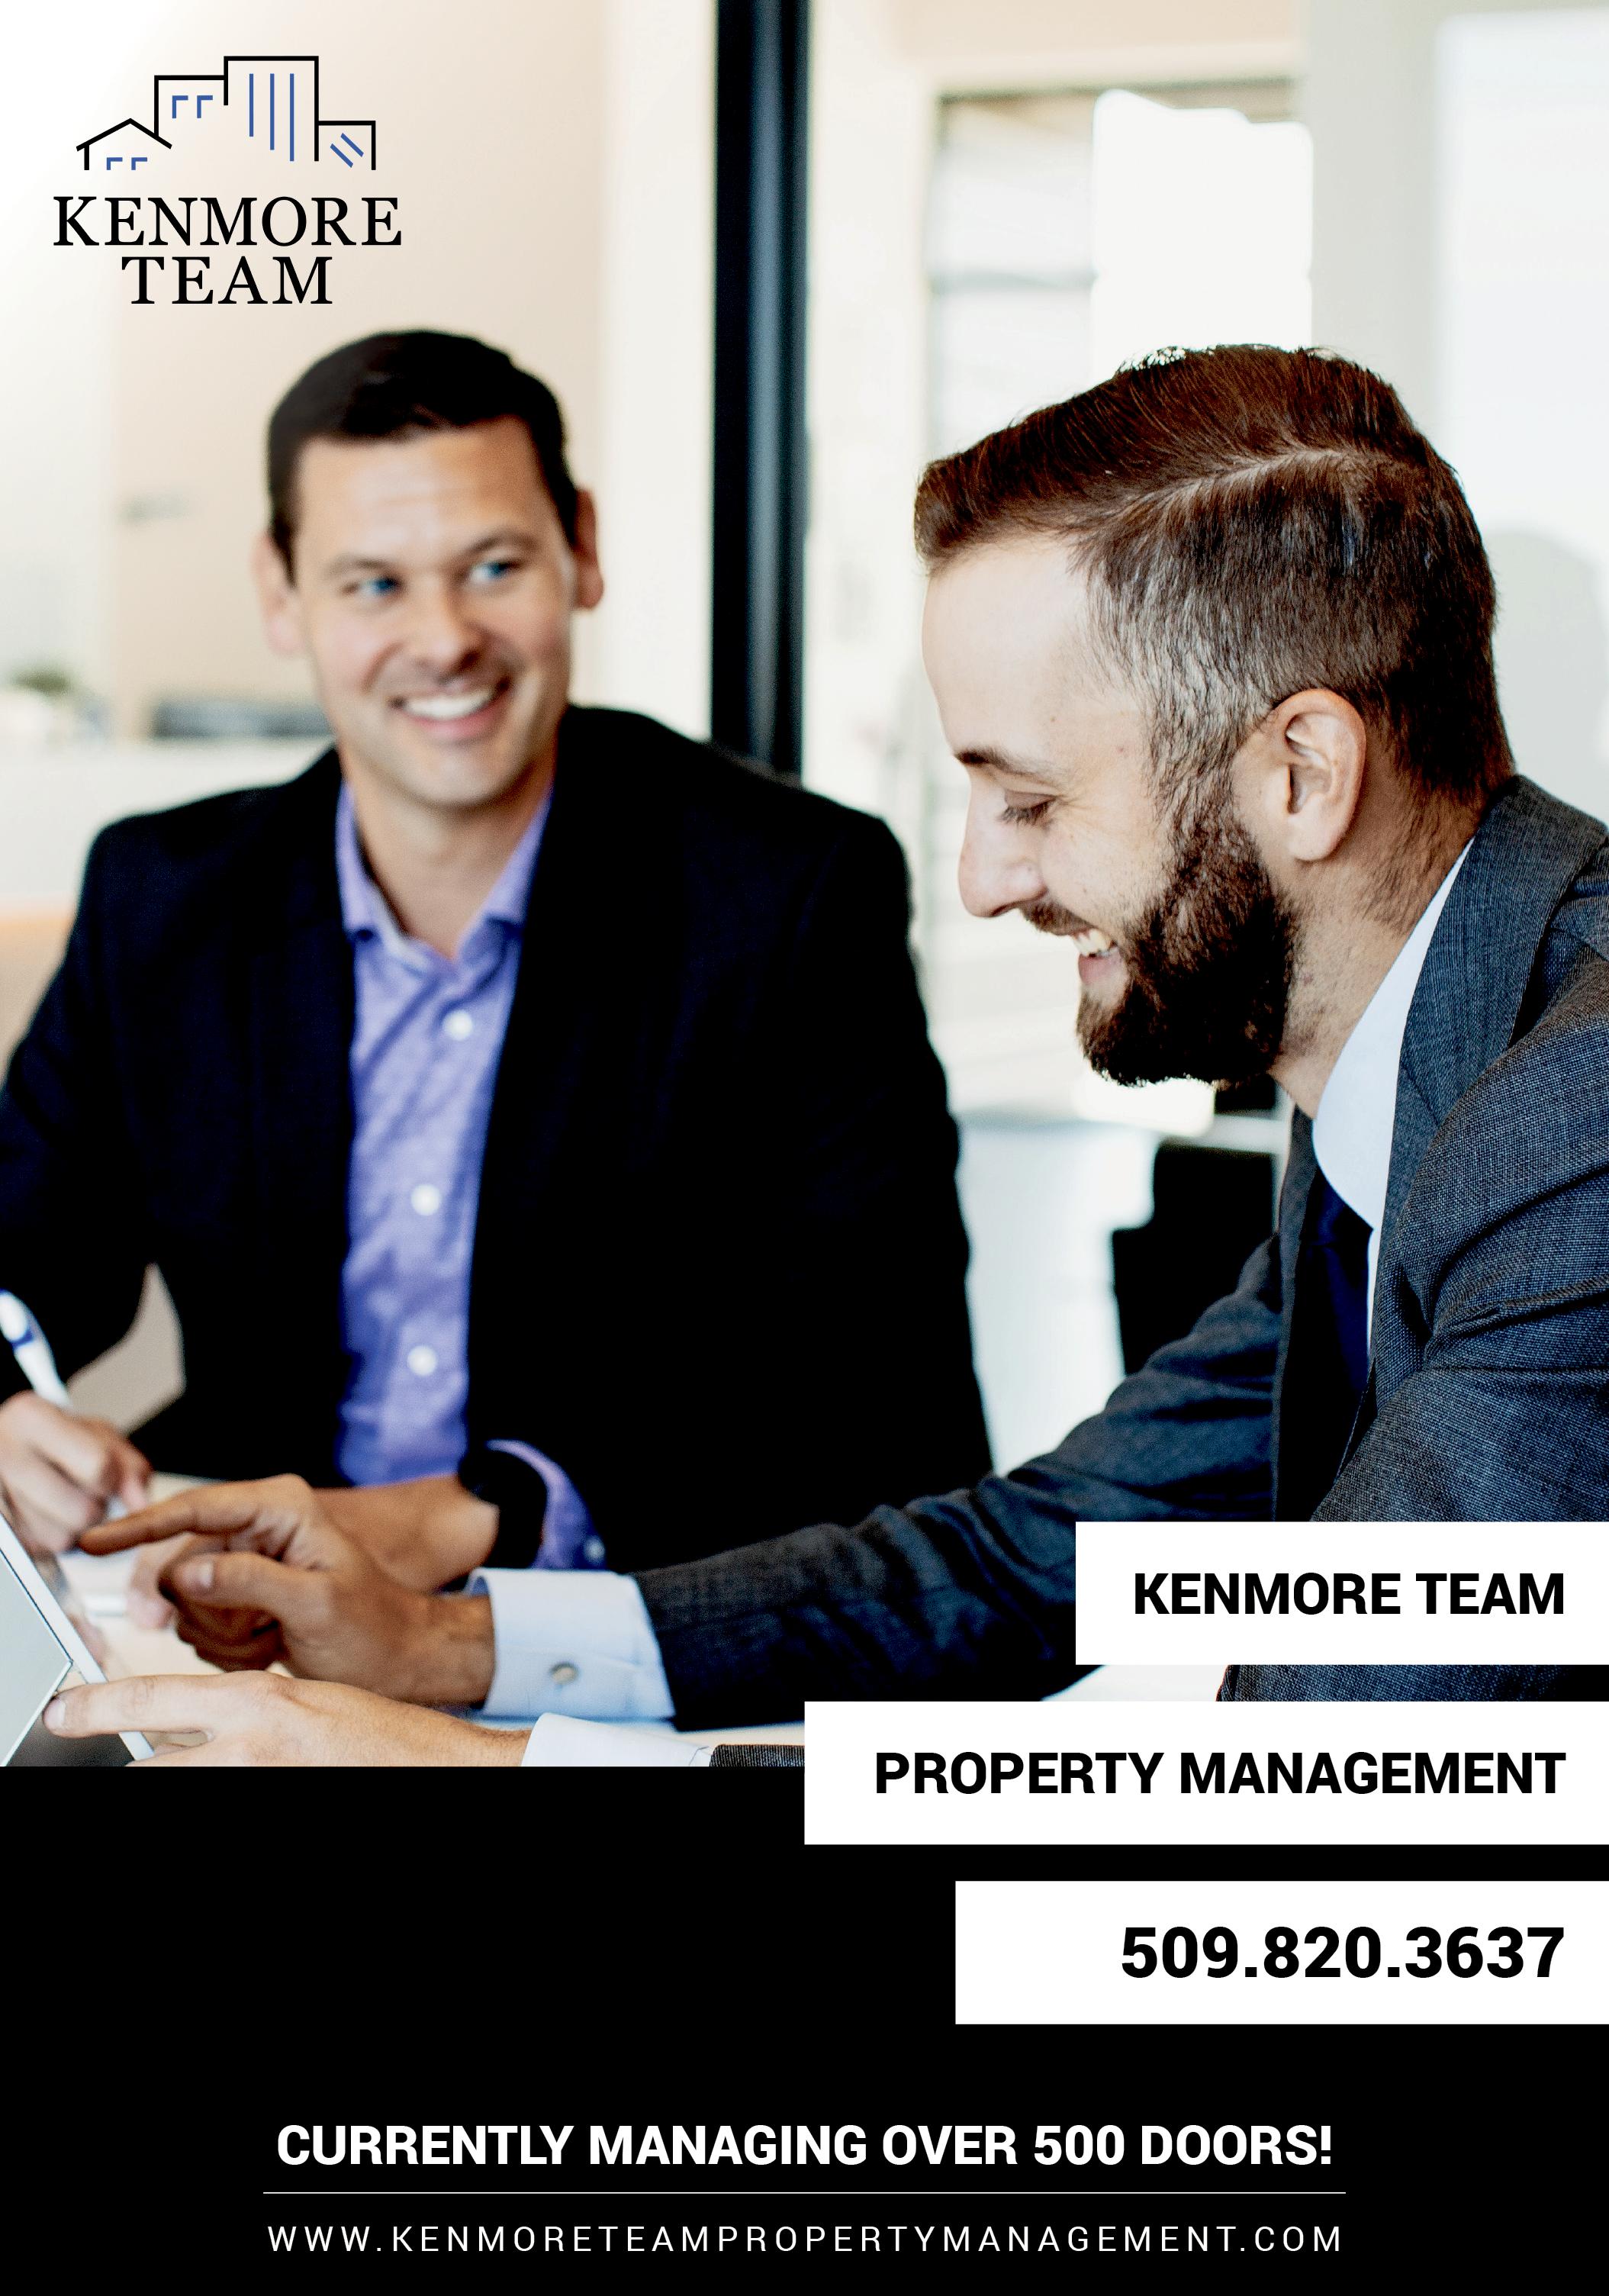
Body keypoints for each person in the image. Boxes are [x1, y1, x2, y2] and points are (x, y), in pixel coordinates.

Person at [47, 342, 1609, 1767]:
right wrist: (444, 1646)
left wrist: (468, 1765)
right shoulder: (1411, 1084)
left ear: (1303, 774)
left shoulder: (1575, 1126)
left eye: (1029, 797)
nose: (984, 878)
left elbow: (1292, 1804)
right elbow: (1045, 1562)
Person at [0, 330, 989, 1575]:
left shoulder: (791, 893)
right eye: (373, 584)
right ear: (280, 590)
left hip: (624, 1612)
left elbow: (879, 1382)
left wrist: (486, 1513)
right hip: (246, 1615)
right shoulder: (164, 898)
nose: (444, 639)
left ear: (581, 548)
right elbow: (21, 1254)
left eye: (492, 566)